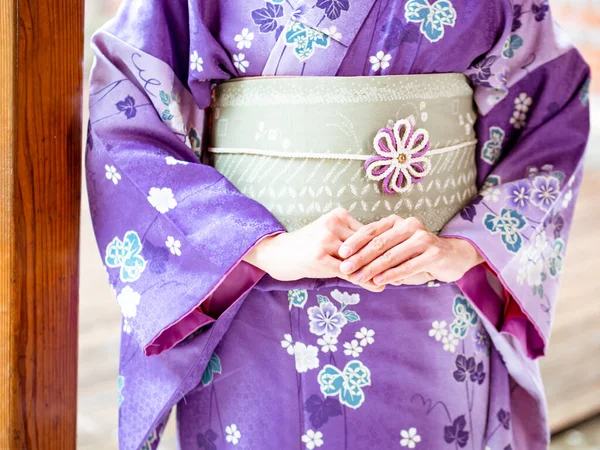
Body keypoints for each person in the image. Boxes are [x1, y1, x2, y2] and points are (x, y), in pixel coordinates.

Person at [86, 1, 590, 449]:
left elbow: (551, 108)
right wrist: (256, 244)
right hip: (258, 299)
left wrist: (465, 247)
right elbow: (128, 107)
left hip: (428, 294)